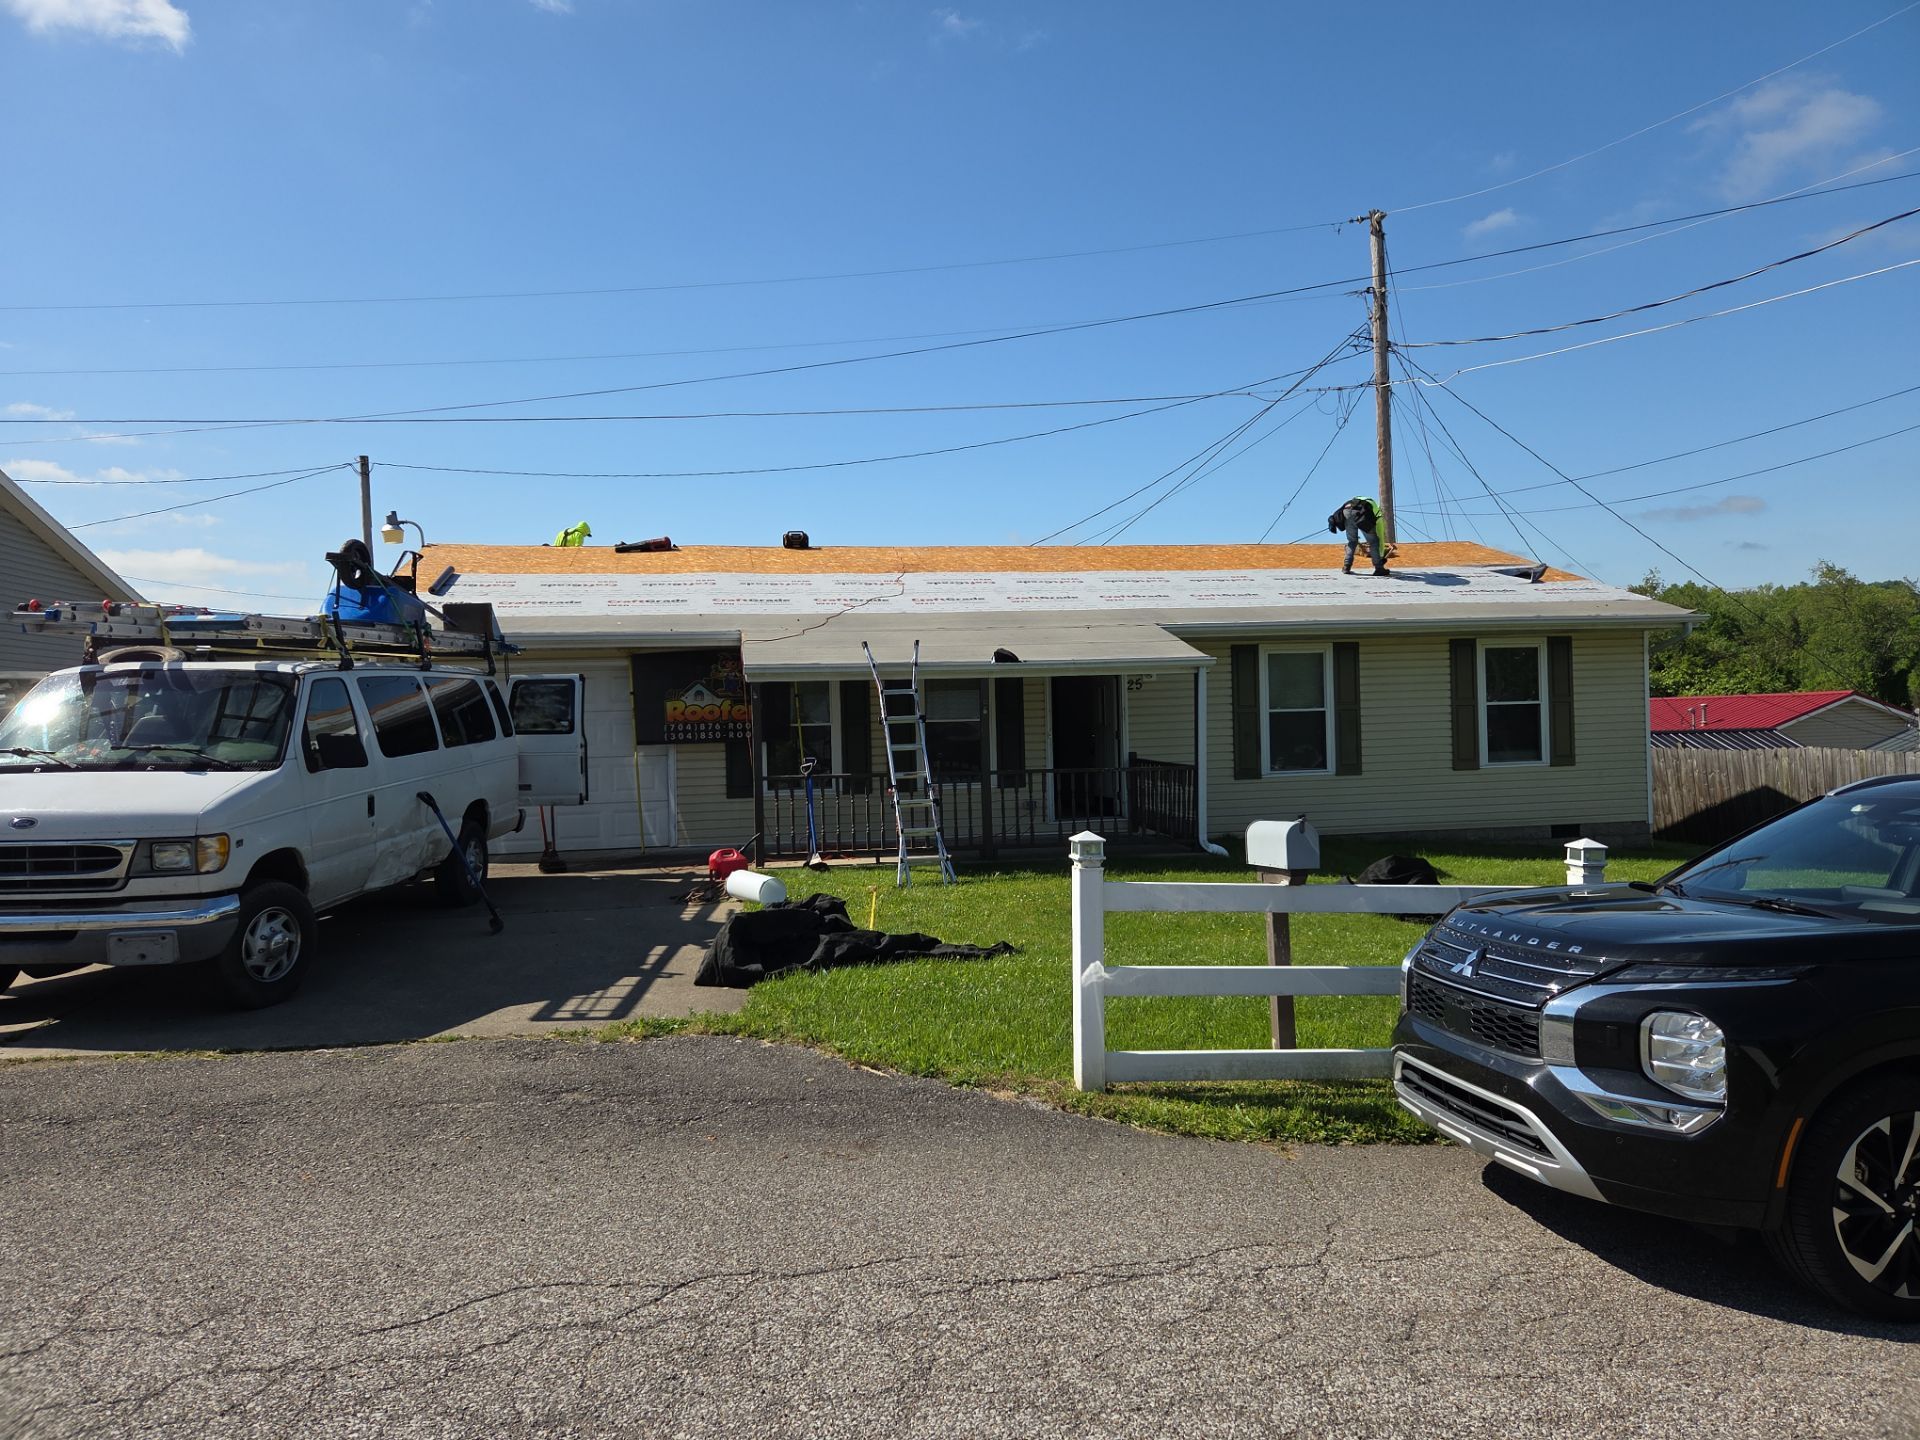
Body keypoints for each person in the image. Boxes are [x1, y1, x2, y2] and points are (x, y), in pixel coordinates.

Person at [1326, 496, 1390, 575]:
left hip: (1346, 512)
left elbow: (1338, 512)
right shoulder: (1375, 509)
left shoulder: (1354, 501)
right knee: (1374, 542)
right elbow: (1379, 532)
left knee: (1352, 541)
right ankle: (1379, 568)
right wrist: (1381, 555)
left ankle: (1346, 567)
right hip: (1361, 514)